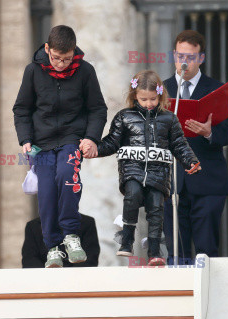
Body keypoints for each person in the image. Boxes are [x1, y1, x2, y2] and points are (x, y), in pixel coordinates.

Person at [13, 25, 107, 268]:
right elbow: (22, 109)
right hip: (41, 145)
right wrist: (25, 140)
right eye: (56, 58)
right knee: (46, 191)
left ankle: (71, 236)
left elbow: (97, 108)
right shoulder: (33, 71)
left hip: (71, 139)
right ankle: (52, 246)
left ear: (74, 52)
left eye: (66, 59)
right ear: (47, 49)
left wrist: (91, 138)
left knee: (67, 176)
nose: (61, 64)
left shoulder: (85, 71)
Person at [85, 70, 200, 266]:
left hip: (158, 174)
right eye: (143, 99)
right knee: (133, 195)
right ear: (134, 96)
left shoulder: (169, 119)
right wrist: (95, 149)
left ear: (160, 95)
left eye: (153, 99)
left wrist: (190, 161)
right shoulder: (124, 117)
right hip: (132, 171)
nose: (149, 103)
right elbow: (112, 142)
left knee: (156, 208)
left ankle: (155, 252)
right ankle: (127, 238)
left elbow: (179, 144)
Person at [163, 30, 228, 263]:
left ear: (201, 58)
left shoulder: (216, 89)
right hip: (171, 182)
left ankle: (207, 298)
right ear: (174, 55)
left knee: (206, 251)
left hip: (207, 181)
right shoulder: (159, 91)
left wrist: (209, 132)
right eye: (180, 56)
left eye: (191, 57)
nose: (185, 62)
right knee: (176, 252)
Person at [22, 213, 100, 268]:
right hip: (44, 282)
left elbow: (91, 256)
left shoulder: (87, 223)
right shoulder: (33, 226)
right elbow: (29, 259)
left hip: (78, 281)